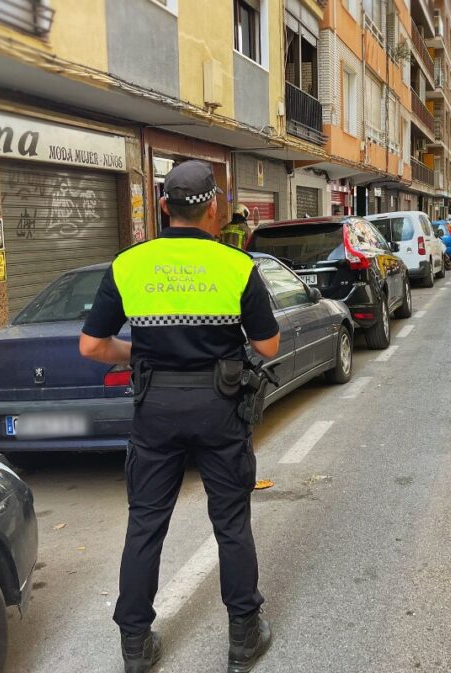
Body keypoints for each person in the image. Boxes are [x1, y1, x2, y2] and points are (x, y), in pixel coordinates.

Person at [79, 161, 280, 673]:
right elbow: (268, 343)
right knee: (231, 521)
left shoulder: (129, 264)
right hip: (220, 407)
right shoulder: (237, 266)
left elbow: (91, 345)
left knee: (145, 523)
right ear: (214, 208)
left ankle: (135, 646)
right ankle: (242, 637)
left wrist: (140, 354)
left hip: (155, 410)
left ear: (165, 207)